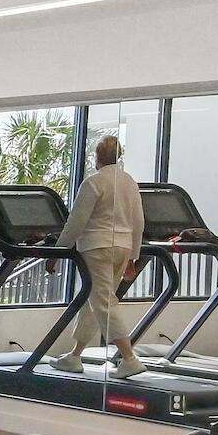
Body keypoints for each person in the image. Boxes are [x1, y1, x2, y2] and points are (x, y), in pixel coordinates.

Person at [54, 133, 148, 377]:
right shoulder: (129, 182)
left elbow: (76, 222)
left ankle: (129, 358)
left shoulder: (93, 183)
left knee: (103, 301)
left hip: (97, 247)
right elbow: (139, 222)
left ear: (97, 157)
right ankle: (75, 355)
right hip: (123, 247)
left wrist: (57, 251)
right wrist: (132, 258)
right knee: (94, 298)